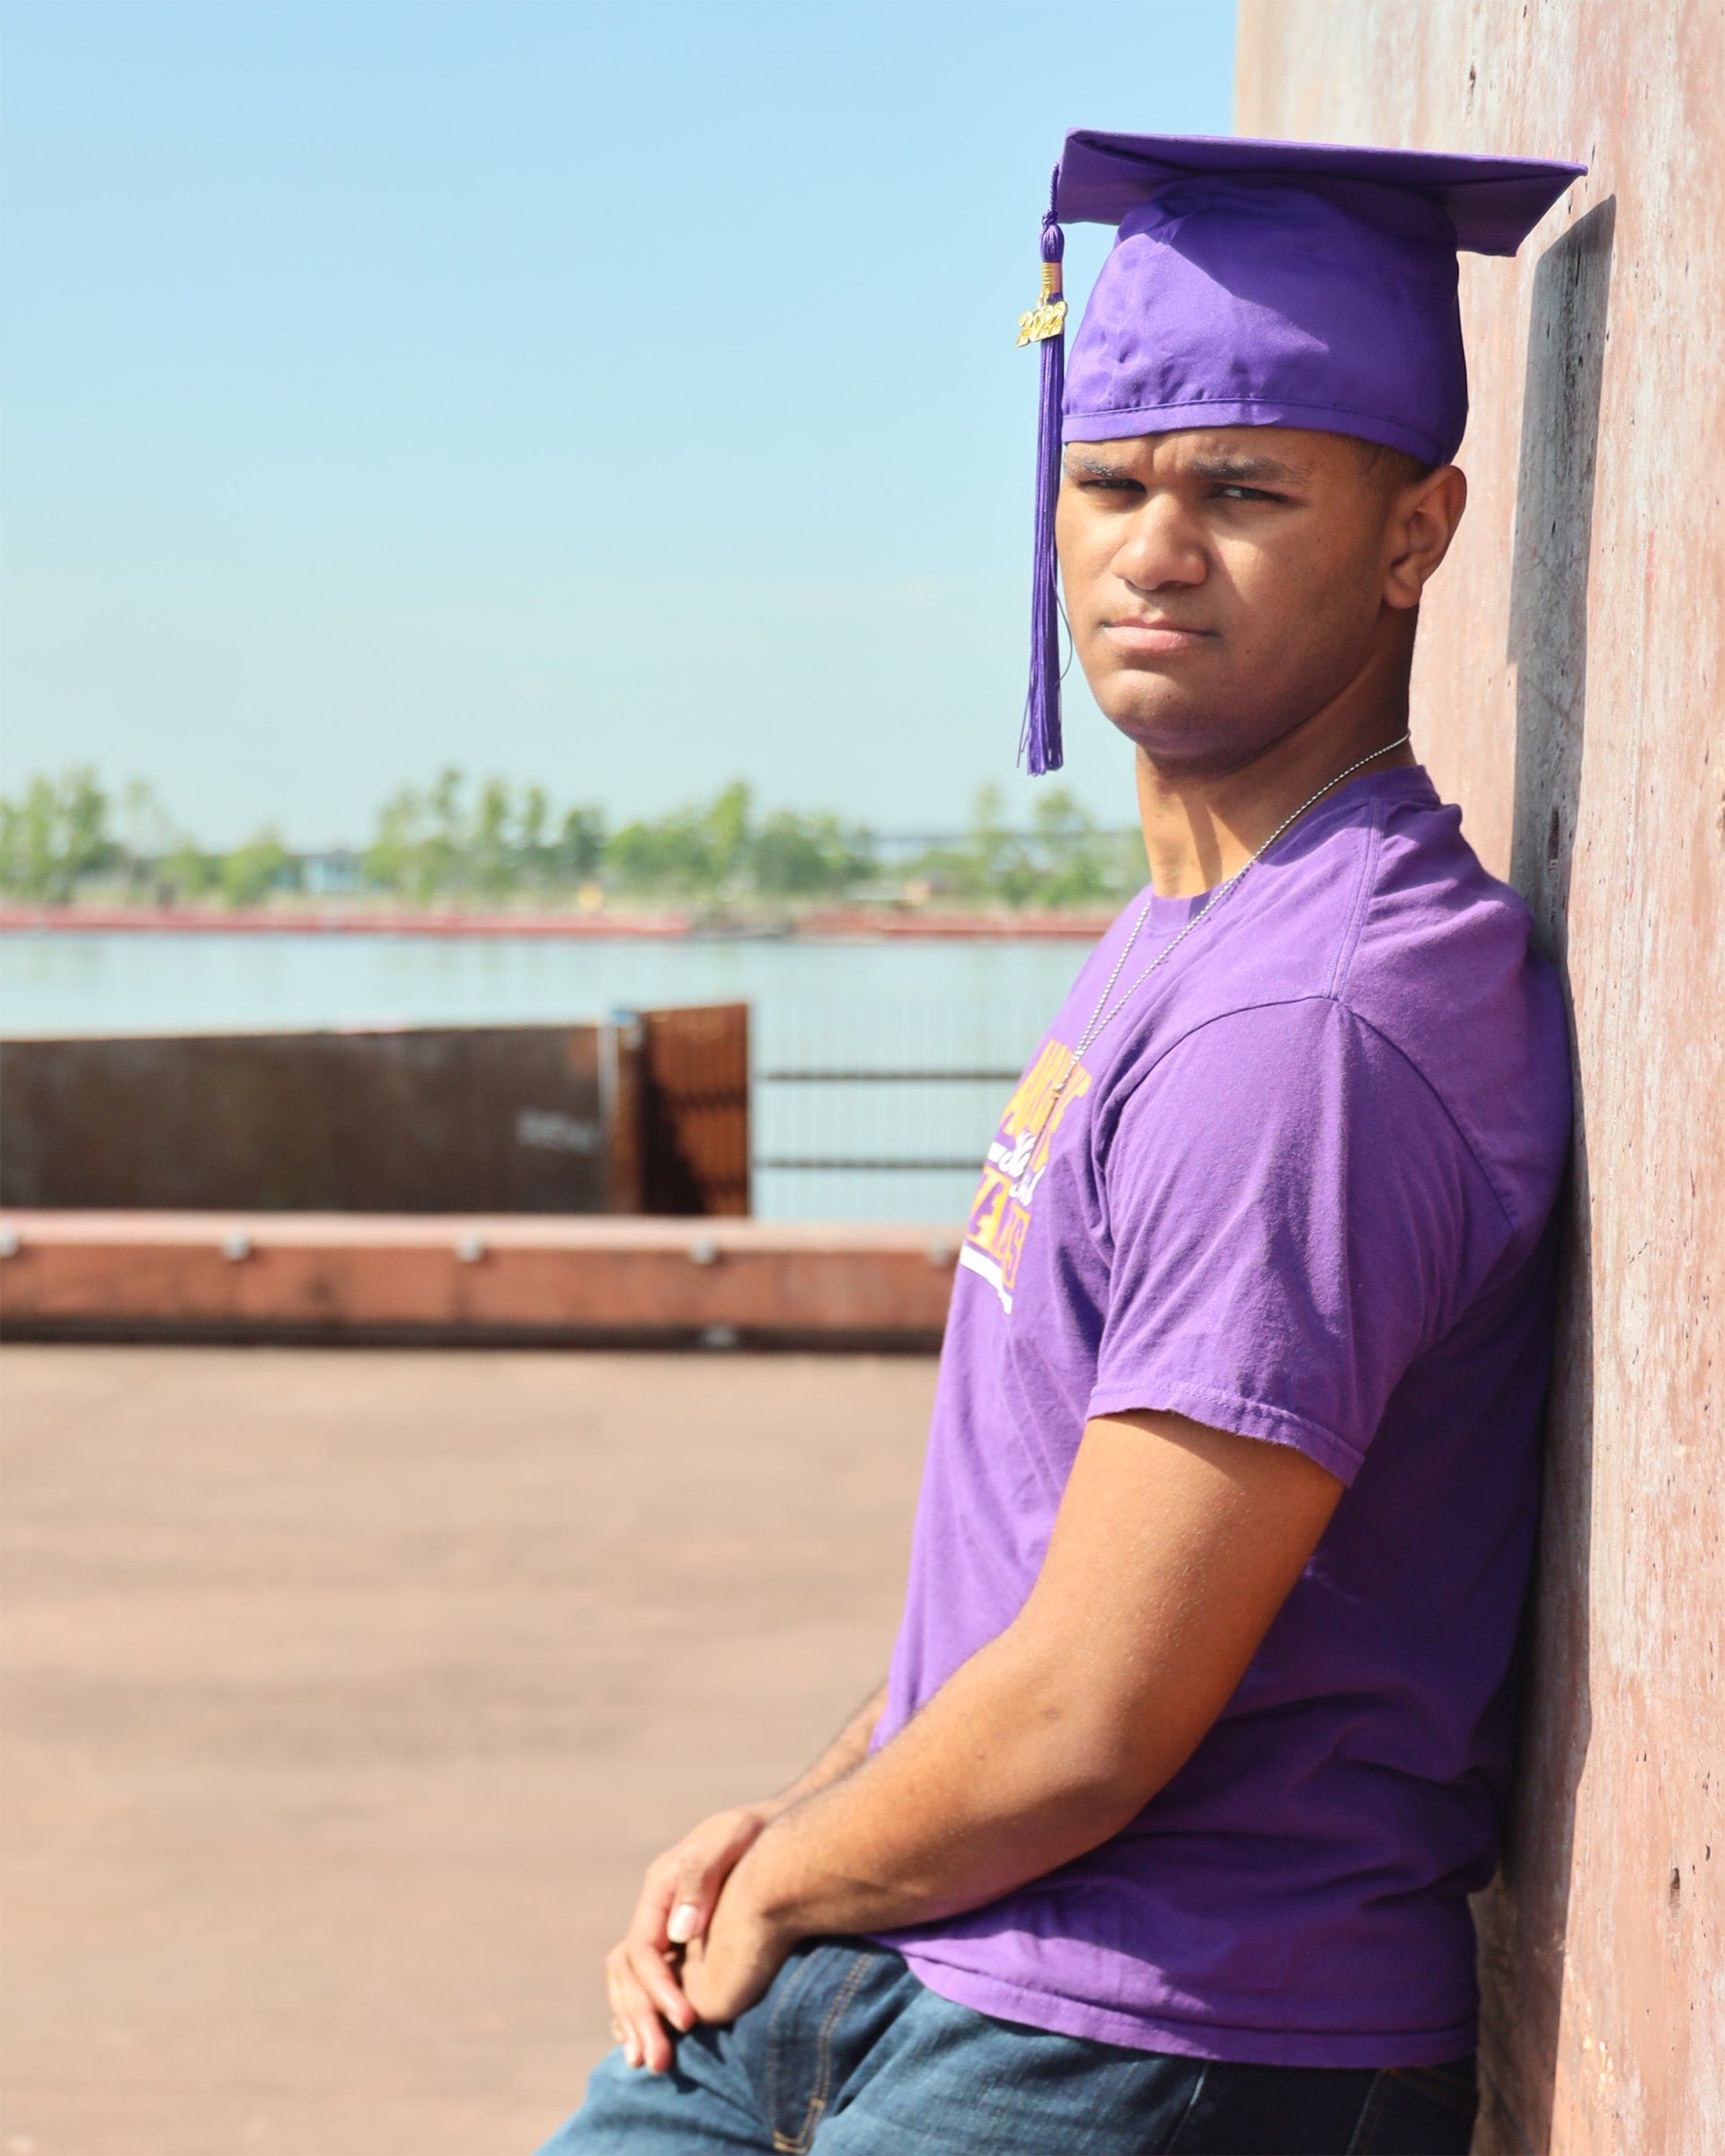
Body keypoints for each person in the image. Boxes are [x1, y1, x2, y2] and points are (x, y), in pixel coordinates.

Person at [532, 128, 1584, 2155]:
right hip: (918, 1957)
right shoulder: (1185, 935)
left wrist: (798, 1875)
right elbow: (1027, 1573)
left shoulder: (1318, 1028)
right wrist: (813, 1819)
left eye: (1244, 490)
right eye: (1109, 484)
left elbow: (1095, 1711)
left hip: (1156, 2036)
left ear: (1415, 533)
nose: (1152, 548)